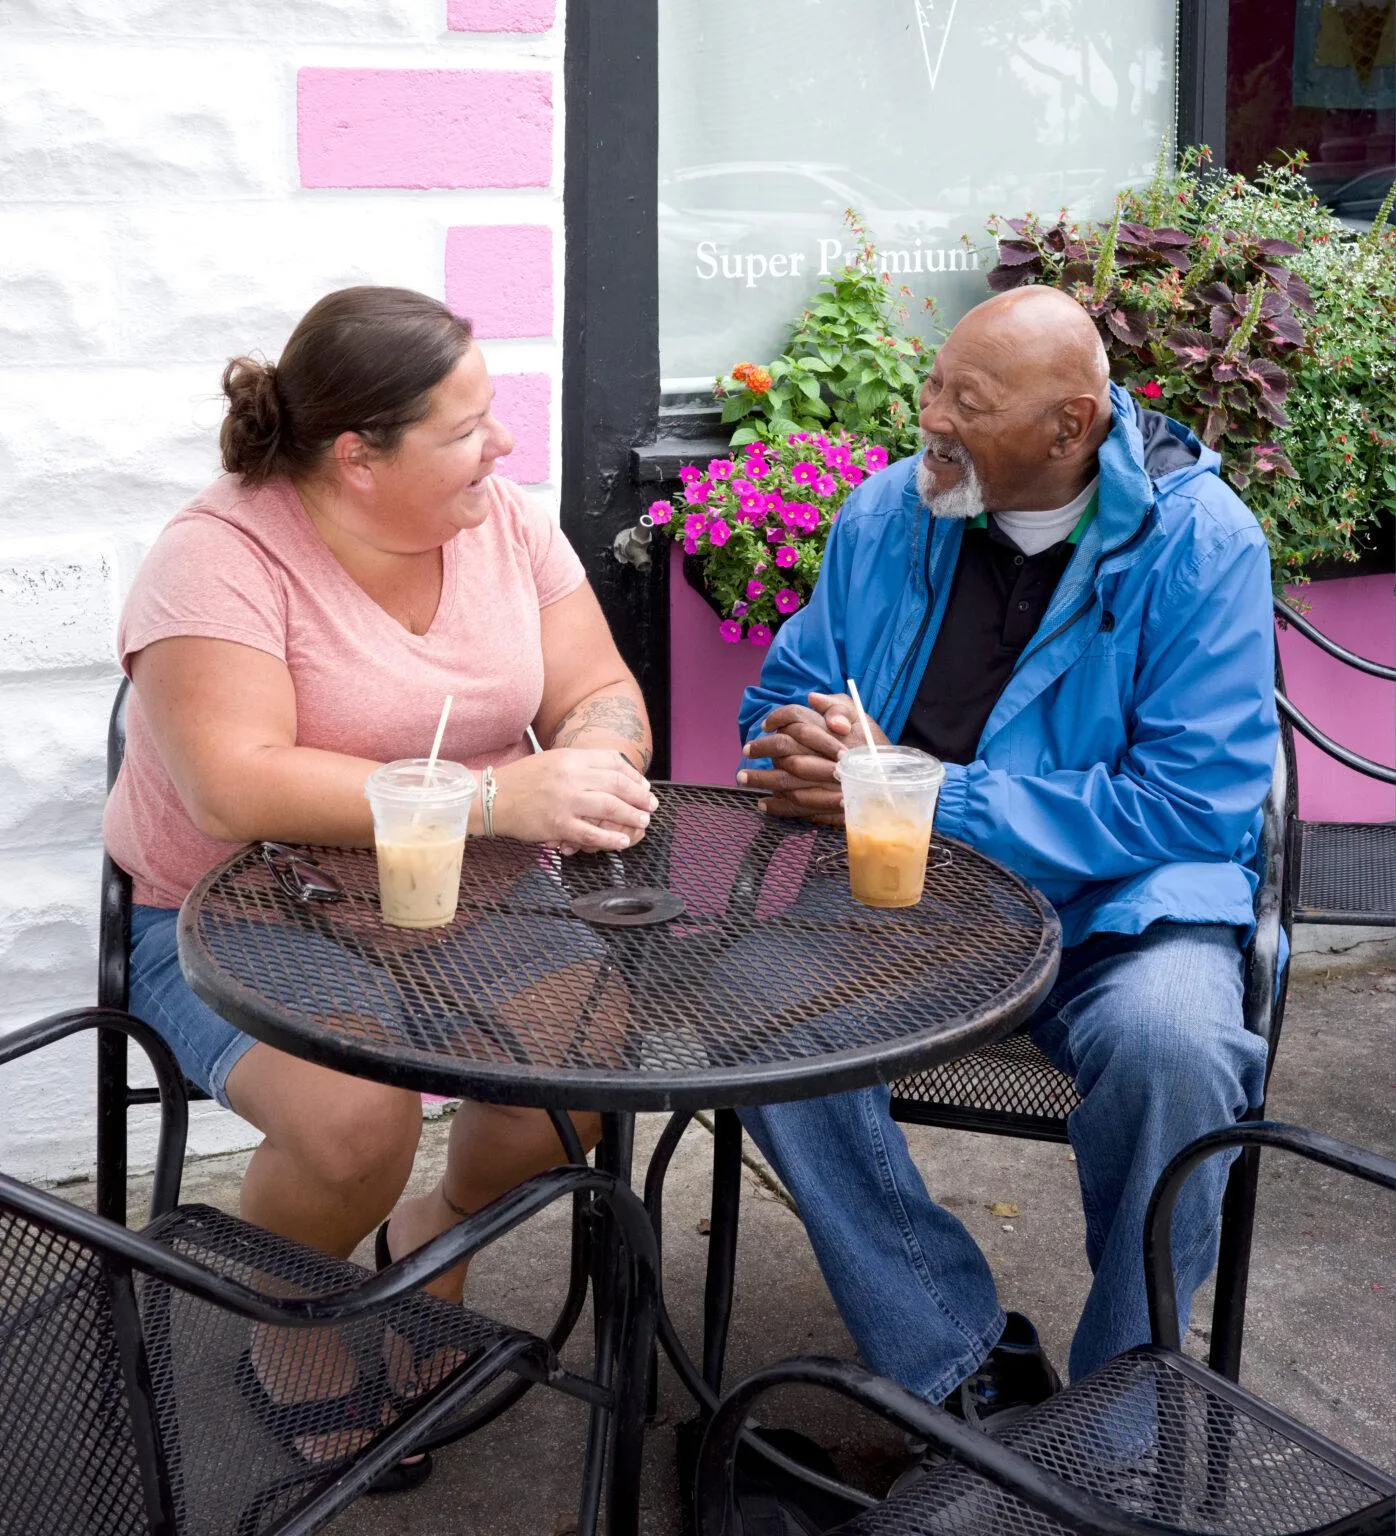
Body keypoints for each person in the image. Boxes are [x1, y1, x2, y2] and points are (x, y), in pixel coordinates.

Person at [103, 285, 657, 1484]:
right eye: (465, 429)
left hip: (479, 898)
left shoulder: (503, 523)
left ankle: (428, 1251)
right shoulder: (220, 558)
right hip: (233, 913)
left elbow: (599, 689)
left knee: (579, 1074)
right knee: (359, 1120)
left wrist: (596, 757)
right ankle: (288, 1329)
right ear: (358, 456)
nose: (501, 447)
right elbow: (232, 789)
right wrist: (502, 798)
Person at [733, 286, 1277, 1428]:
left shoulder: (1199, 544)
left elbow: (1187, 808)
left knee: (1176, 1042)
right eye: (933, 382)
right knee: (753, 1013)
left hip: (1120, 916)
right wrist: (796, 738)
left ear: (1068, 427)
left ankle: (1122, 1411)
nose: (925, 414)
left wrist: (931, 793)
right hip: (899, 901)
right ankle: (960, 1359)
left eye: (962, 401)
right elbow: (790, 688)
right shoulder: (890, 511)